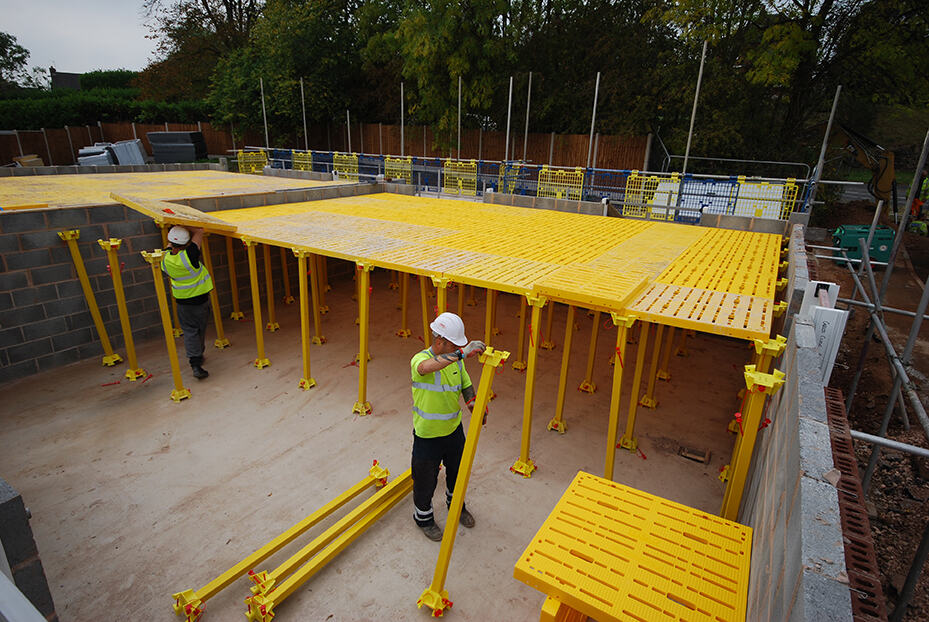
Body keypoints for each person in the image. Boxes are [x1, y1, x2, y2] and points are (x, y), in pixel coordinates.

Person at [410, 312, 486, 541]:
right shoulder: (419, 360)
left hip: (453, 432)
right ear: (440, 341)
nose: (458, 350)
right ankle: (423, 519)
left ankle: (457, 507)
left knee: (457, 473)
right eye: (454, 344)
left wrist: (474, 403)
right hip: (427, 436)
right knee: (425, 480)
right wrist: (461, 353)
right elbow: (425, 367)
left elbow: (465, 384)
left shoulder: (456, 363)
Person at [163, 225, 213, 379]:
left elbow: (169, 245)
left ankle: (195, 360)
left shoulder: (164, 258)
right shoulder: (190, 255)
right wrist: (186, 223)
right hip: (200, 301)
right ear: (186, 243)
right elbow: (199, 231)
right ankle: (197, 360)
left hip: (183, 303)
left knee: (190, 332)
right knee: (199, 330)